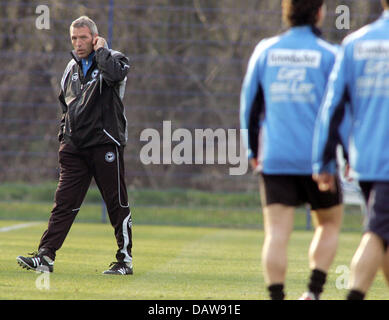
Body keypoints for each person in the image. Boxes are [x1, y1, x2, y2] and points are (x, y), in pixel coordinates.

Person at [240, 0, 343, 300]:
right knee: (329, 225)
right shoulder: (330, 55)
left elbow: (249, 105)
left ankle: (276, 297)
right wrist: (341, 157)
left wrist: (252, 148)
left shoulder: (265, 50)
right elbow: (338, 111)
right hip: (317, 161)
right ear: (319, 12)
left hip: (276, 157)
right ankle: (312, 293)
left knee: (276, 234)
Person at [16, 16, 133, 275]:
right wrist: (63, 136)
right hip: (74, 148)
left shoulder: (114, 59)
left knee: (116, 203)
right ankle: (45, 256)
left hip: (105, 144)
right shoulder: (70, 68)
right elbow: (64, 104)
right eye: (74, 38)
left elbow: (114, 75)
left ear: (94, 37)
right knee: (63, 203)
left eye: (83, 38)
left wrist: (101, 50)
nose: (78, 43)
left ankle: (124, 261)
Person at [313, 0, 389, 299]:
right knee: (376, 233)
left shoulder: (355, 43)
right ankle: (354, 294)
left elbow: (332, 108)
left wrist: (324, 159)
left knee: (384, 234)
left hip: (367, 161)